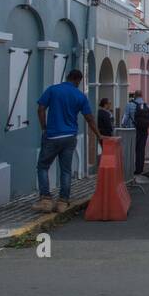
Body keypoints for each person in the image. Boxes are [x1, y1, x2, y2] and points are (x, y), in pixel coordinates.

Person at [36, 69, 101, 213]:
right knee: (66, 170)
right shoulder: (80, 96)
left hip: (52, 135)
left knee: (43, 166)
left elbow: (40, 109)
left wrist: (44, 127)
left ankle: (46, 200)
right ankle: (63, 202)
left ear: (67, 77)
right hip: (70, 136)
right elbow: (89, 118)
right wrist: (99, 135)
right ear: (78, 80)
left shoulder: (53, 90)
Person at [121, 89, 149, 176]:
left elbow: (125, 118)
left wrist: (123, 125)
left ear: (134, 96)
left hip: (132, 131)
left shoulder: (129, 105)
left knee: (131, 150)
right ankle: (140, 169)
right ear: (141, 96)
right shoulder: (147, 106)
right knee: (141, 150)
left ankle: (130, 168)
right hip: (143, 131)